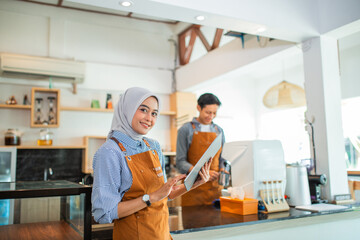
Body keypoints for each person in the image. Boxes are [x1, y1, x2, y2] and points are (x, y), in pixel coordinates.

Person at [91, 87, 212, 240]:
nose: (149, 118)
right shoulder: (109, 152)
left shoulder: (153, 146)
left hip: (160, 233)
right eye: (143, 110)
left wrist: (193, 183)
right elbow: (104, 213)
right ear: (127, 109)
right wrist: (150, 198)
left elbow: (163, 195)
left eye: (154, 113)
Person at [176, 93, 226, 206]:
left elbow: (222, 157)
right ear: (198, 108)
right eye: (208, 112)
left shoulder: (219, 131)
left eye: (214, 113)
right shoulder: (185, 130)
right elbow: (180, 162)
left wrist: (223, 169)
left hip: (215, 189)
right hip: (193, 189)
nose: (211, 116)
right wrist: (203, 172)